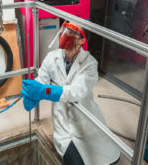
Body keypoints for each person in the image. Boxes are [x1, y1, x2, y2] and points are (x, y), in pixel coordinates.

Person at [21, 22, 120, 165]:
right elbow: (41, 80)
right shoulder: (51, 57)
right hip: (63, 124)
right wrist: (32, 92)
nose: (66, 35)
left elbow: (75, 92)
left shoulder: (89, 64)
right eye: (66, 31)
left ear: (80, 42)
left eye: (72, 34)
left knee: (107, 158)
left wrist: (44, 91)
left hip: (85, 120)